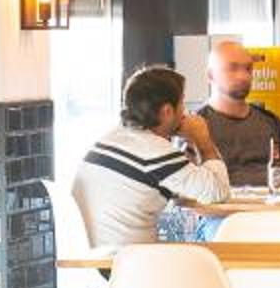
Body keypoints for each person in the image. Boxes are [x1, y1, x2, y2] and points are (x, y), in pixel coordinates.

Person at [72, 64, 231, 250]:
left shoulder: (109, 139)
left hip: (95, 256)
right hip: (131, 260)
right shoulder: (154, 151)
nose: (186, 112)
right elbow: (218, 193)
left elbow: (174, 184)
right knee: (208, 245)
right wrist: (202, 139)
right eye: (182, 103)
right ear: (167, 111)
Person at [195, 37, 280, 188]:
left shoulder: (272, 122)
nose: (243, 76)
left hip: (273, 202)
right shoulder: (194, 126)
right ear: (210, 75)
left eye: (248, 68)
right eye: (233, 68)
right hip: (220, 202)